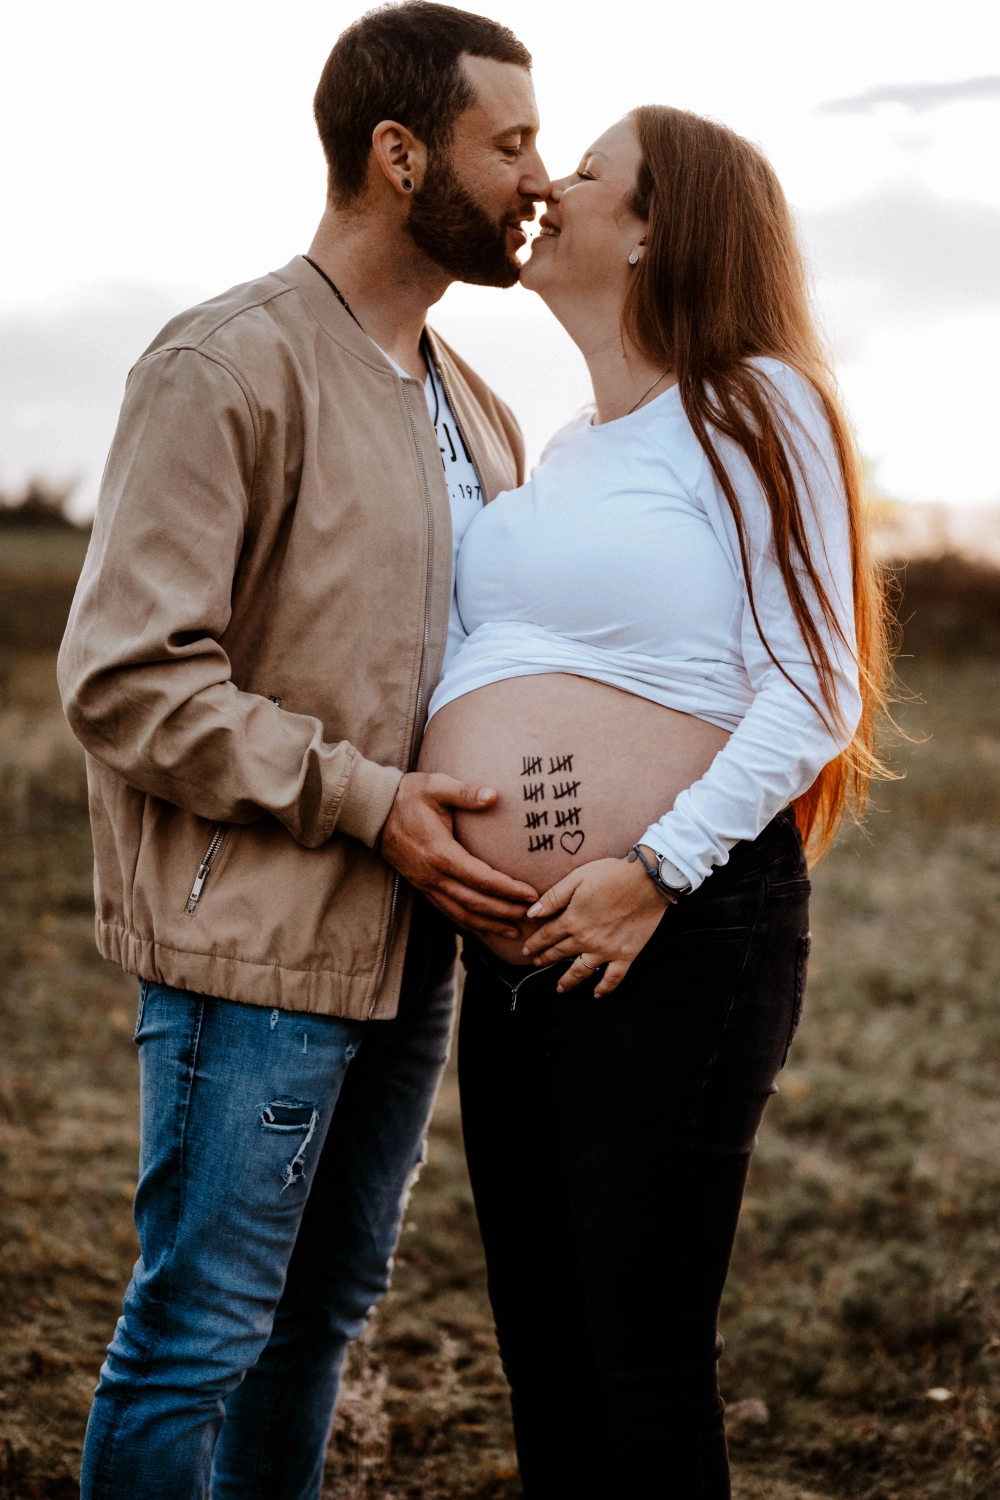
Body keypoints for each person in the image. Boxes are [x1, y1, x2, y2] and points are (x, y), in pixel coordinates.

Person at [56, 5, 550, 1496]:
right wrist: (366, 799)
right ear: (400, 157)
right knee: (198, 1331)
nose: (541, 176)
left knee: (319, 1318)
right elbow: (128, 675)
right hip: (251, 958)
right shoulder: (224, 364)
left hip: (412, 955)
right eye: (509, 142)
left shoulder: (482, 409)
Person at [418, 106, 892, 1496]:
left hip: (679, 928)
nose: (549, 188)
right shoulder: (562, 447)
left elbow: (817, 687)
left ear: (653, 226)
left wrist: (656, 869)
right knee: (544, 1358)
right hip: (518, 943)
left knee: (640, 1362)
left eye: (586, 171)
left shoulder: (757, 402)